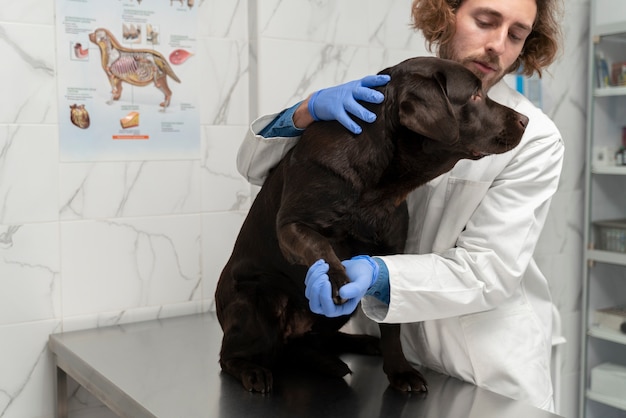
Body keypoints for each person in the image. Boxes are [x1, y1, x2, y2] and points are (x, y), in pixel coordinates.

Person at [236, 0, 564, 411]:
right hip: (386, 362)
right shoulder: (388, 94)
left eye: (516, 35)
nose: (498, 45)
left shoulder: (532, 138)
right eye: (485, 21)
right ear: (446, 14)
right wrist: (304, 112)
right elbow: (254, 167)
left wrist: (376, 274)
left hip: (479, 369)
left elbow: (489, 271)